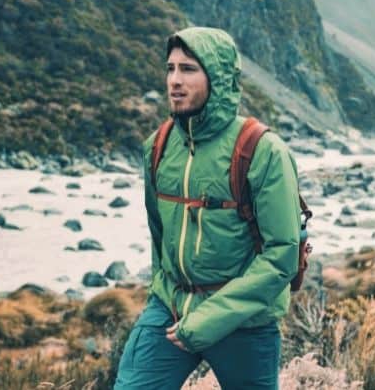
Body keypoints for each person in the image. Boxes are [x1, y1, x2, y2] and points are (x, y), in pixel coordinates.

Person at [114, 27, 301, 389]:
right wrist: (160, 291)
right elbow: (159, 234)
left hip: (244, 321)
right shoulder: (158, 146)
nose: (174, 81)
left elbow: (283, 254)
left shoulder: (263, 151)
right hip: (171, 309)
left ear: (216, 77)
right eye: (170, 69)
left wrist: (207, 320)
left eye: (188, 69)